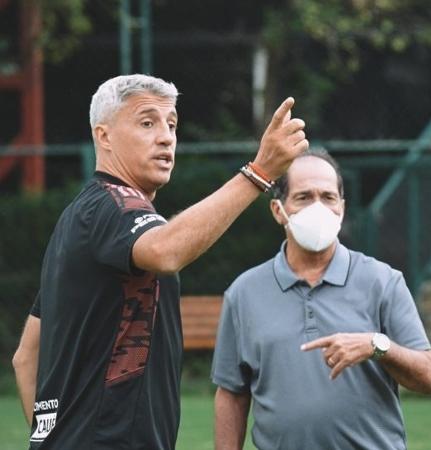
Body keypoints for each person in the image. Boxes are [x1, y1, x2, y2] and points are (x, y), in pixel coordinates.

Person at [12, 74, 309, 450]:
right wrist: (259, 173)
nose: (166, 136)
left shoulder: (79, 219)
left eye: (171, 124)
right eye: (147, 122)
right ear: (103, 136)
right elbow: (166, 252)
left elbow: (26, 356)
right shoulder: (114, 204)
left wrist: (48, 438)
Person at [211, 148, 431, 450]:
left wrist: (376, 345)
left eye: (328, 197)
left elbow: (430, 378)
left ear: (342, 208)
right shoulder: (244, 293)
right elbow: (231, 393)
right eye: (304, 197)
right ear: (278, 210)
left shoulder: (383, 281)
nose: (318, 207)